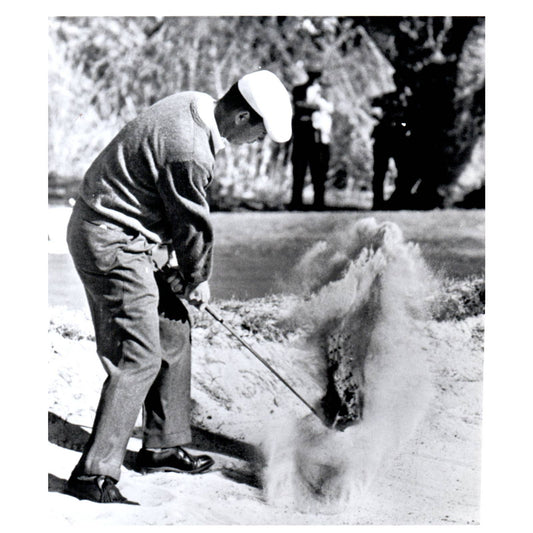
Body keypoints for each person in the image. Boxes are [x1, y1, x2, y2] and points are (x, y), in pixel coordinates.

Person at [64, 70, 292, 505]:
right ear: (243, 116)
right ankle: (93, 475)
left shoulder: (195, 101)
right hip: (109, 239)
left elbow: (163, 201)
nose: (259, 141)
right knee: (139, 356)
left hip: (130, 232)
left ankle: (161, 446)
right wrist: (196, 278)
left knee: (172, 324)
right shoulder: (191, 151)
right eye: (261, 131)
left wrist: (176, 274)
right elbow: (192, 227)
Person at [288, 67, 334, 210]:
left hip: (320, 134)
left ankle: (319, 202)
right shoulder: (299, 90)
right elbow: (298, 105)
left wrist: (318, 105)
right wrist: (315, 107)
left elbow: (330, 108)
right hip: (303, 132)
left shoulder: (326, 92)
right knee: (299, 167)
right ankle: (296, 202)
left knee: (319, 169)